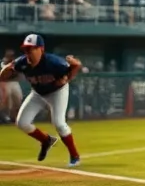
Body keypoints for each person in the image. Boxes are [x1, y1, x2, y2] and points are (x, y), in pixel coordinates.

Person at [0, 34, 83, 165]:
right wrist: (8, 68)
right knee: (22, 123)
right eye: (26, 49)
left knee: (59, 123)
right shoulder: (22, 62)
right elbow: (3, 76)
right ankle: (46, 140)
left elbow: (75, 67)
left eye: (31, 49)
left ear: (41, 49)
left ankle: (75, 156)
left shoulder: (54, 62)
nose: (28, 53)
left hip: (57, 92)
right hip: (38, 93)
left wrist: (70, 72)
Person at [1, 48, 22, 123]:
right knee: (7, 101)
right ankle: (6, 117)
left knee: (18, 99)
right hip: (5, 82)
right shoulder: (3, 62)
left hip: (15, 82)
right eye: (9, 54)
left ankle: (15, 117)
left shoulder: (15, 62)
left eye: (12, 55)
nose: (11, 56)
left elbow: (19, 74)